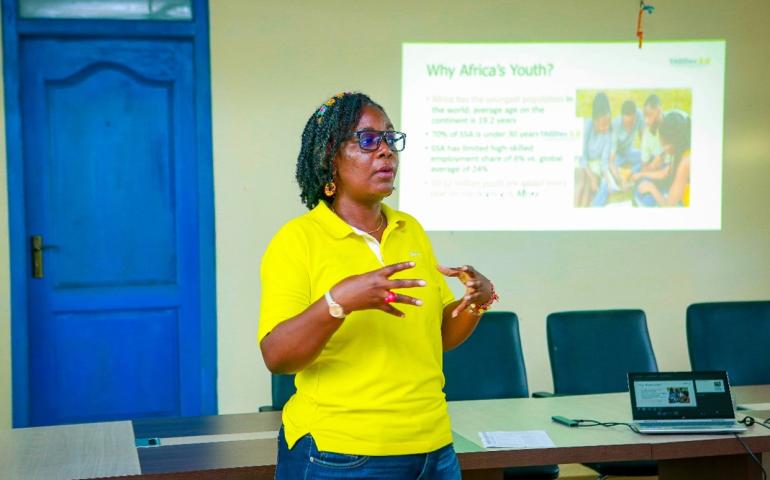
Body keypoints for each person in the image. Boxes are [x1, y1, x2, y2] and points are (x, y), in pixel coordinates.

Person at [258, 92, 498, 479]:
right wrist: (338, 302)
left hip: (434, 449)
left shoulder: (410, 229)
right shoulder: (296, 240)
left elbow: (437, 335)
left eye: (390, 138)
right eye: (368, 140)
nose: (386, 151)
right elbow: (278, 357)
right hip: (341, 455)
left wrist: (476, 302)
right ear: (329, 158)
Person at [634, 111, 691, 207]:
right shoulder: (682, 149)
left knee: (645, 200)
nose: (662, 147)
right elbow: (665, 173)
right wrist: (641, 174)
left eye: (662, 143)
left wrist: (652, 188)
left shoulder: (685, 163)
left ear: (671, 145)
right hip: (681, 197)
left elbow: (669, 205)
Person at [575, 92, 612, 207]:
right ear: (595, 121)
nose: (606, 128)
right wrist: (591, 176)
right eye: (603, 125)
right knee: (581, 182)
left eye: (608, 123)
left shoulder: (608, 133)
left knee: (588, 187)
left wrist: (609, 180)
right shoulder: (587, 126)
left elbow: (604, 162)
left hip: (594, 164)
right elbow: (582, 157)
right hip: (582, 161)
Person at [608, 99, 643, 190]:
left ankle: (628, 172)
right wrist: (619, 180)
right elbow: (611, 160)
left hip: (629, 150)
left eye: (631, 123)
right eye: (626, 123)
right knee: (608, 168)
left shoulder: (639, 115)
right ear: (622, 117)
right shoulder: (615, 126)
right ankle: (624, 174)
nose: (629, 127)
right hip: (617, 154)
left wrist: (645, 157)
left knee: (648, 158)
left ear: (635, 116)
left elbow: (642, 135)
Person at [638, 94, 665, 172]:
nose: (646, 121)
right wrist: (650, 167)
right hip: (655, 168)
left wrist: (660, 157)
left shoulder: (670, 124)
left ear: (659, 111)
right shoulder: (647, 134)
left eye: (649, 115)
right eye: (645, 116)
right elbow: (644, 164)